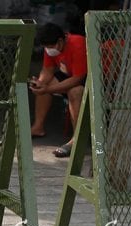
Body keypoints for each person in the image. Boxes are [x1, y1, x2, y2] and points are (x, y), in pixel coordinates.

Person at [29, 23, 87, 158]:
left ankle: (76, 139)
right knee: (42, 85)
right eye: (46, 48)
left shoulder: (77, 43)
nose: (48, 50)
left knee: (75, 92)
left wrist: (47, 88)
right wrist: (40, 83)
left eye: (50, 47)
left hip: (84, 78)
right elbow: (47, 69)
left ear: (60, 41)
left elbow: (78, 79)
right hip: (67, 74)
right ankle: (38, 126)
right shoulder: (50, 47)